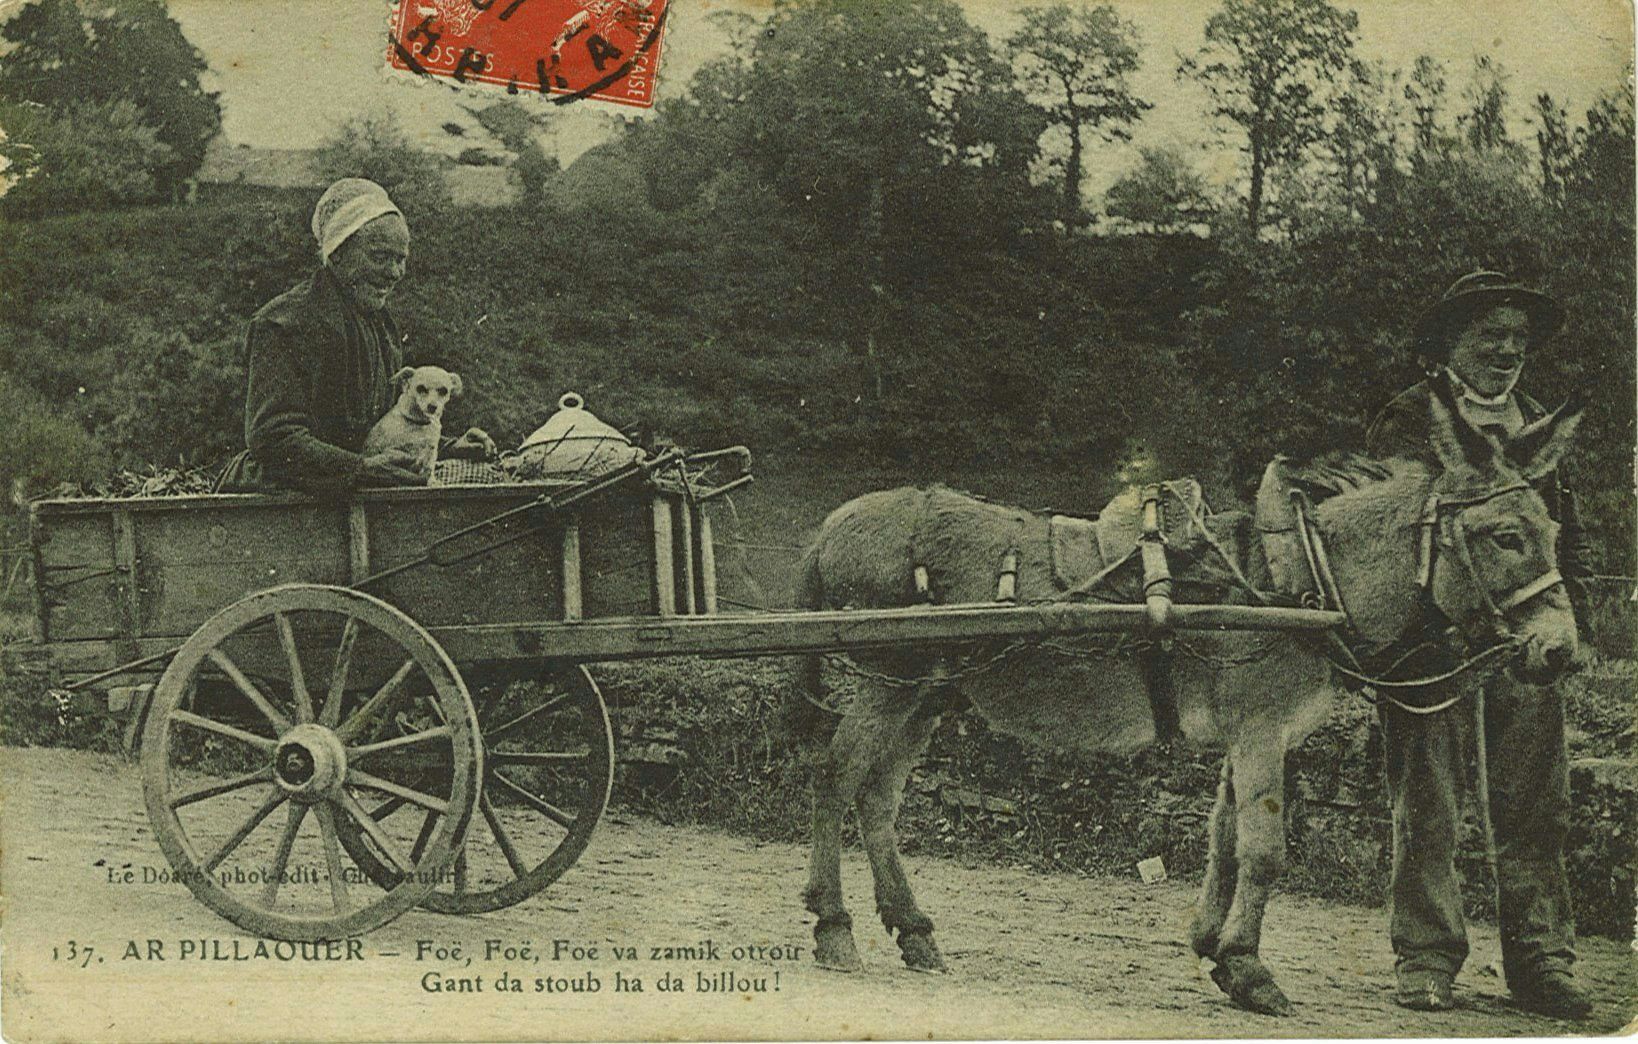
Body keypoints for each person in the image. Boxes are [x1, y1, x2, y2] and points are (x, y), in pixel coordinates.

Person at [1366, 270, 1594, 1019]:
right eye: (1489, 335)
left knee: (1537, 805)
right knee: (1427, 801)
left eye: (1518, 339)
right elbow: (1387, 530)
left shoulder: (1539, 426)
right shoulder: (1408, 419)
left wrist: (1566, 627)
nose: (1506, 350)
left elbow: (1559, 542)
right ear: (1450, 343)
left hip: (1522, 649)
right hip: (1428, 645)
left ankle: (1541, 964)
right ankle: (1427, 958)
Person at [217, 178, 493, 494]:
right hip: (279, 496)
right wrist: (359, 468)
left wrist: (449, 446)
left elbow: (384, 426)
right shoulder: (285, 322)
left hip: (353, 487)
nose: (394, 272)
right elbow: (274, 437)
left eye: (400, 259)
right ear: (338, 254)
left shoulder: (380, 326)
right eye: (379, 256)